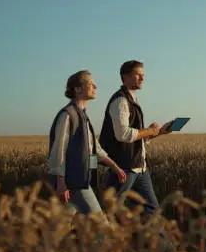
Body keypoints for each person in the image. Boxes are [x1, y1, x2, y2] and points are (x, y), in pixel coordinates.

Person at [47, 70, 128, 217]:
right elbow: (59, 151)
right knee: (101, 226)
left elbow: (95, 150)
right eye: (90, 84)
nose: (95, 86)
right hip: (74, 182)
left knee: (58, 229)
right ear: (77, 89)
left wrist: (115, 167)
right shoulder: (68, 115)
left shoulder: (83, 117)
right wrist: (61, 182)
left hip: (79, 180)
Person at [99, 60, 172, 215]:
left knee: (152, 211)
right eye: (138, 74)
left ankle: (160, 240)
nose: (142, 78)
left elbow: (138, 138)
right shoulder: (120, 101)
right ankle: (97, 238)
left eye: (143, 75)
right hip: (123, 168)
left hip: (139, 168)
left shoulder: (133, 100)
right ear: (125, 77)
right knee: (110, 213)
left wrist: (158, 133)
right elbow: (123, 134)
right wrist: (149, 130)